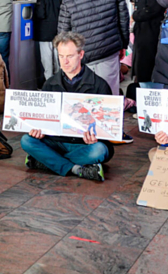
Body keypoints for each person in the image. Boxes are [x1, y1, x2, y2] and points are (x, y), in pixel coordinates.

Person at [19, 32, 113, 181]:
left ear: (81, 54)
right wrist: (39, 130)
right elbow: (42, 119)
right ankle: (76, 169)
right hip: (56, 141)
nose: (65, 61)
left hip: (83, 144)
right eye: (61, 56)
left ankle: (48, 161)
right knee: (27, 140)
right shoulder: (49, 84)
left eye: (69, 56)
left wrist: (97, 136)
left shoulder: (99, 85)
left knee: (99, 150)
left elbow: (108, 126)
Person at [58, 0, 129, 96]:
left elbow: (63, 35)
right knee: (110, 99)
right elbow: (123, 20)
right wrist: (123, 45)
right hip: (108, 53)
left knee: (85, 101)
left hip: (82, 58)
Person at [127, 0, 166, 94]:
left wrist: (136, 16)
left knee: (145, 67)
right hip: (148, 32)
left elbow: (152, 8)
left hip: (148, 33)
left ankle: (146, 100)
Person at [33, 0, 62, 80]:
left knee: (46, 61)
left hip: (43, 33)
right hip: (56, 32)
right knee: (56, 59)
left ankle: (48, 83)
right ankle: (58, 81)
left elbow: (40, 14)